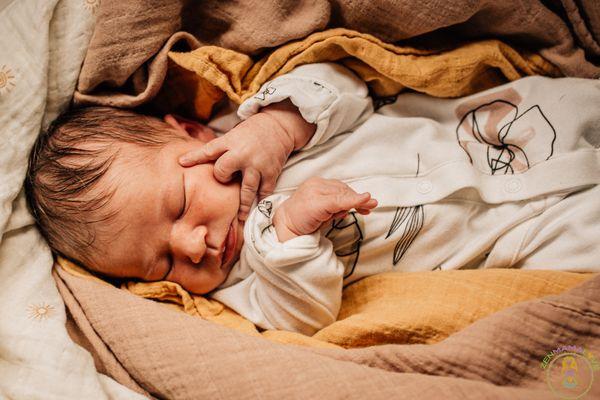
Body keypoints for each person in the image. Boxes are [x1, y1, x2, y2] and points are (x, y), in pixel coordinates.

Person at [26, 63, 600, 335]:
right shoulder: (243, 285)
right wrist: (290, 241)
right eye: (162, 262)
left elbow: (350, 87)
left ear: (196, 135)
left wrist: (277, 128)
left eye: (178, 206)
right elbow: (301, 319)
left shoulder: (254, 132)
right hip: (523, 236)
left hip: (515, 125)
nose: (193, 245)